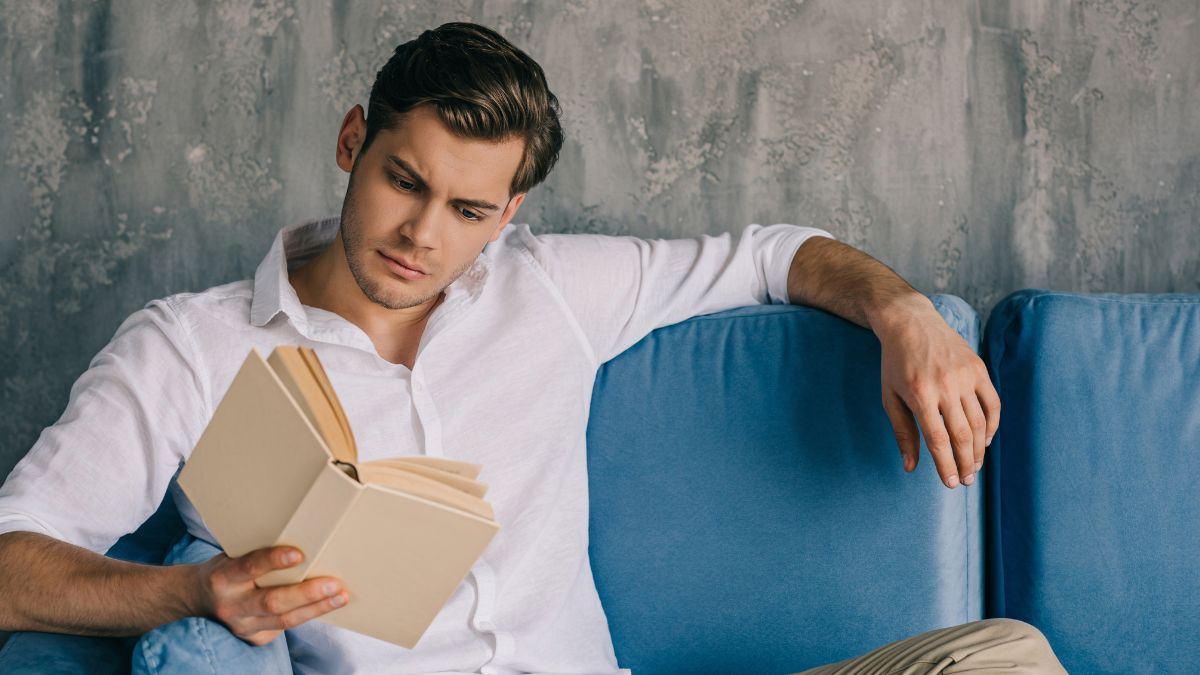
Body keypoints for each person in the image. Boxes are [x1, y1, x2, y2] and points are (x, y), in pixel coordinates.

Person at [0, 21, 1066, 675]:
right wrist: (198, 593)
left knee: (1004, 658)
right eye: (403, 182)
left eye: (468, 210)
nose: (423, 237)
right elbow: (11, 568)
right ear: (350, 143)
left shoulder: (548, 291)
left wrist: (905, 314)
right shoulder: (189, 347)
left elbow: (773, 255)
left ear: (507, 215)